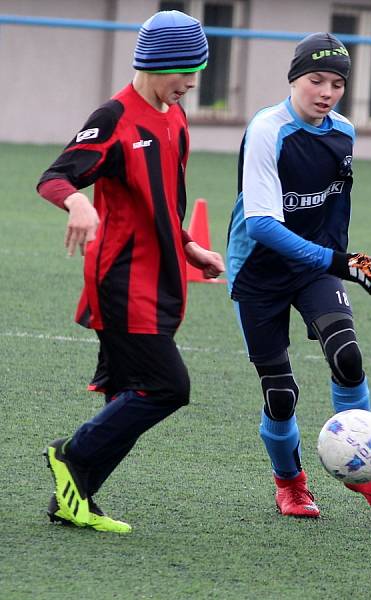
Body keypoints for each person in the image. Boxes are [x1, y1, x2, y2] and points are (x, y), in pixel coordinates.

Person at [38, 10, 224, 533]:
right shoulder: (114, 116)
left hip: (162, 275)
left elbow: (166, 198)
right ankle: (71, 456)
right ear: (157, 63)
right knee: (167, 386)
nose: (191, 82)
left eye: (198, 71)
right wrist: (78, 202)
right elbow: (54, 177)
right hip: (122, 281)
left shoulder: (176, 116)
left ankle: (74, 502)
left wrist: (188, 244)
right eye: (184, 71)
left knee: (130, 391)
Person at [225, 32, 371, 518]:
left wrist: (337, 258)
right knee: (281, 395)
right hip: (258, 271)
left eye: (337, 83)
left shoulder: (344, 131)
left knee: (347, 356)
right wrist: (337, 261)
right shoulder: (267, 130)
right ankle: (291, 485)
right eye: (315, 80)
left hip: (313, 266)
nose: (325, 91)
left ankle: (364, 467)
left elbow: (334, 204)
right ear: (294, 79)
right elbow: (261, 224)